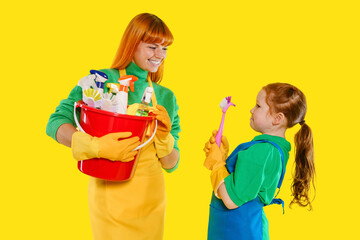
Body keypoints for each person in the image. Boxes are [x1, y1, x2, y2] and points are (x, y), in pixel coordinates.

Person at [46, 13, 180, 240]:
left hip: (152, 198)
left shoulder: (166, 97)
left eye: (164, 49)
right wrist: (96, 146)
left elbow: (172, 164)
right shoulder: (100, 81)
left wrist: (165, 138)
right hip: (111, 196)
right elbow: (55, 124)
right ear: (132, 44)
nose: (160, 55)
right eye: (152, 47)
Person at [203, 83, 315, 240]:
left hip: (238, 233)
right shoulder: (273, 150)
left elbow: (230, 199)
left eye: (258, 106)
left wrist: (217, 163)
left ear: (277, 118)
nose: (252, 110)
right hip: (240, 229)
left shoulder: (262, 152)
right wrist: (223, 155)